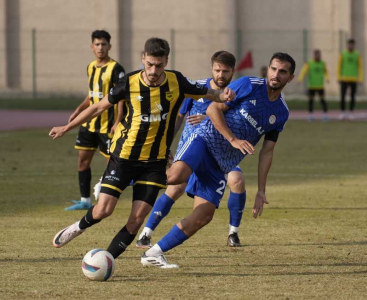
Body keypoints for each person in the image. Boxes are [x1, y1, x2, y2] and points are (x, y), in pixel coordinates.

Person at [49, 37, 235, 261]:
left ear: (166, 61)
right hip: (124, 157)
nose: (154, 70)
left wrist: (225, 95)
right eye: (150, 64)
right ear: (143, 59)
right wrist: (67, 127)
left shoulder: (177, 81)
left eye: (159, 65)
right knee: (103, 210)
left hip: (155, 164)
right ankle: (78, 227)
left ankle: (105, 261)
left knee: (136, 220)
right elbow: (98, 106)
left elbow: (209, 92)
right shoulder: (129, 82)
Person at [141, 52, 295, 268]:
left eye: (282, 72)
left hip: (221, 163)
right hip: (204, 139)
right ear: (267, 69)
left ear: (291, 77)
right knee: (176, 178)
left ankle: (153, 253)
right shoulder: (249, 84)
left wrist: (261, 190)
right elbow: (213, 108)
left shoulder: (281, 112)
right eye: (273, 69)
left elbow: (267, 152)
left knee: (204, 215)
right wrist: (233, 139)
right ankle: (125, 177)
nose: (276, 75)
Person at [136, 51, 246, 249]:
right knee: (175, 186)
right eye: (217, 70)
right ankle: (146, 233)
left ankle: (233, 233)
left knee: (237, 180)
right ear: (212, 68)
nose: (221, 75)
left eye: (226, 71)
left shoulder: (235, 95)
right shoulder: (197, 89)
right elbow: (177, 118)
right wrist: (166, 145)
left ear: (233, 71)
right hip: (191, 150)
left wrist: (208, 118)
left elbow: (235, 121)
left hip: (219, 155)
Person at [65, 30, 125, 211]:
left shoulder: (116, 69)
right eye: (97, 44)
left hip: (108, 126)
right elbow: (92, 94)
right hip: (88, 125)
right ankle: (85, 200)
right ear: (92, 47)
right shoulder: (90, 67)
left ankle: (105, 198)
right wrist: (78, 110)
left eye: (104, 44)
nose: (100, 47)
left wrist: (118, 121)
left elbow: (121, 97)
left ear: (109, 46)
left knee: (111, 164)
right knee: (82, 161)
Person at [297, 49, 329, 122]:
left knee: (322, 101)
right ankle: (311, 116)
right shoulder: (309, 63)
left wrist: (327, 78)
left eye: (319, 54)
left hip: (320, 86)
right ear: (314, 55)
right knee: (311, 101)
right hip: (311, 86)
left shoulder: (322, 63)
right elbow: (303, 71)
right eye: (316, 54)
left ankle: (325, 116)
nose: (318, 56)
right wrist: (300, 79)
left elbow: (326, 72)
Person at [337, 39, 363, 120]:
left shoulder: (357, 54)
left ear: (354, 45)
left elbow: (361, 67)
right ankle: (342, 113)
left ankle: (351, 113)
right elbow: (339, 66)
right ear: (347, 45)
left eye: (352, 44)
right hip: (344, 78)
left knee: (352, 97)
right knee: (342, 96)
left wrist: (361, 78)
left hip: (354, 79)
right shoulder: (343, 54)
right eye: (349, 44)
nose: (350, 46)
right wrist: (338, 77)